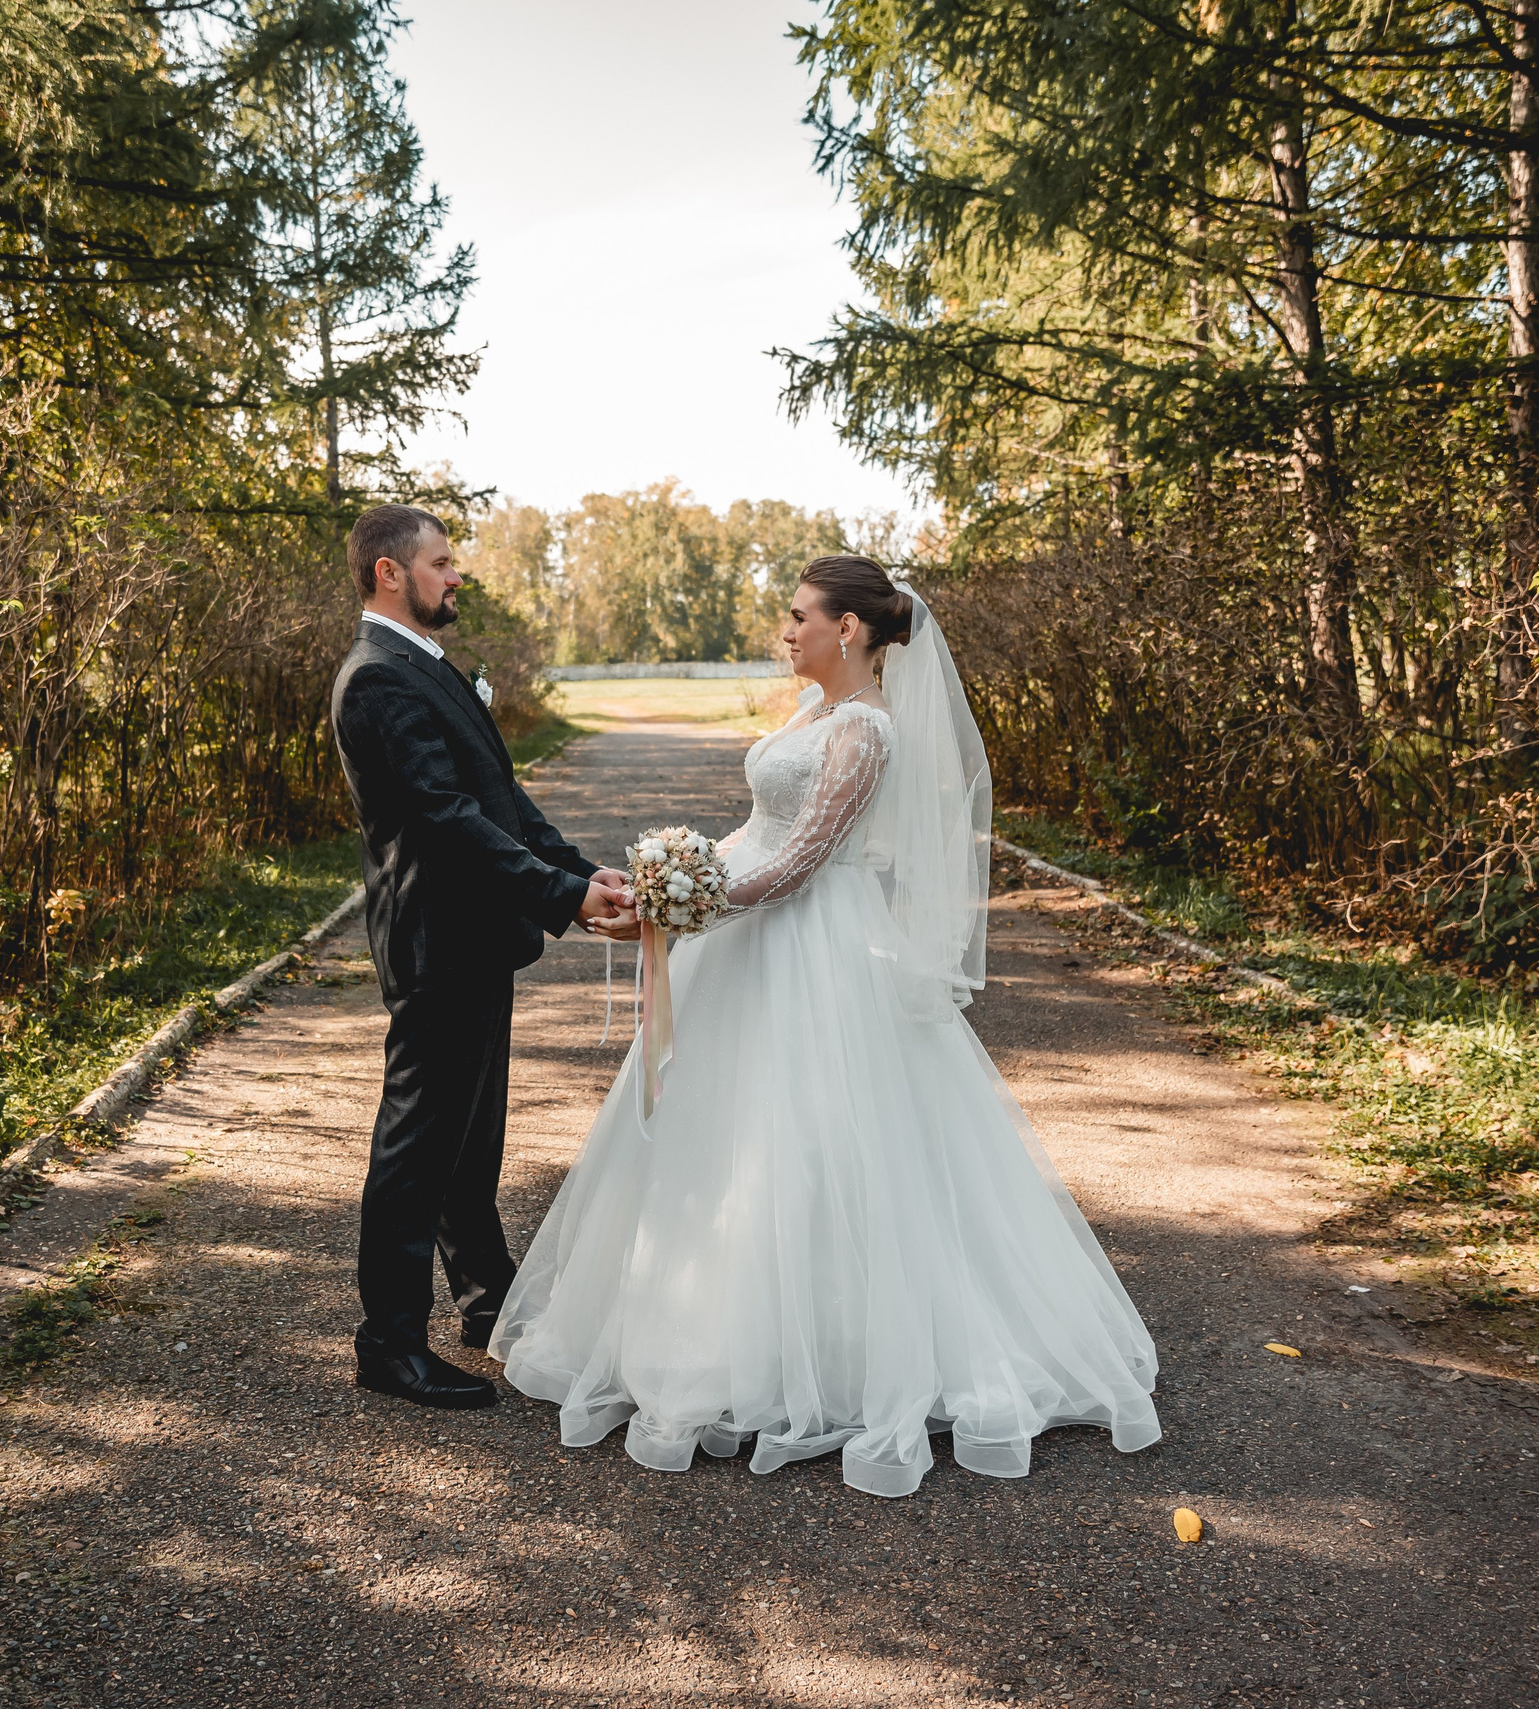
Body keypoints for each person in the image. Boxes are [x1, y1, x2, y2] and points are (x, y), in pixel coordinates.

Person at [490, 555, 1160, 1494]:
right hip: (748, 944)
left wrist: (688, 902)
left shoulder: (867, 731)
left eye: (801, 616)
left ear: (848, 628)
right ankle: (706, 1324)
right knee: (727, 1140)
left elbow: (802, 863)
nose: (788, 630)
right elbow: (760, 831)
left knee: (814, 1138)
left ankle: (825, 1351)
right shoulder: (809, 716)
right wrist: (671, 876)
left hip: (815, 951)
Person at [328, 505, 637, 1410]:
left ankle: (483, 1298)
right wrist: (564, 899)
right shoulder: (375, 680)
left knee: (471, 1138)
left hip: (474, 939)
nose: (455, 575)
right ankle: (388, 1343)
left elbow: (499, 800)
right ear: (391, 573)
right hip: (435, 942)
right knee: (417, 1147)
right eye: (441, 561)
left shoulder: (424, 666)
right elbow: (444, 820)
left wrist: (580, 869)